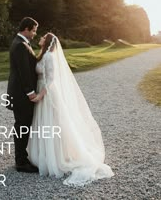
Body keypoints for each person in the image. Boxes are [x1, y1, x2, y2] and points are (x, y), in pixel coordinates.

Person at [27, 33, 114, 186]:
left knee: (52, 122)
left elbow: (51, 79)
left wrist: (40, 95)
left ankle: (56, 156)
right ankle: (45, 154)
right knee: (43, 122)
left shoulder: (49, 57)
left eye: (42, 37)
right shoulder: (42, 55)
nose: (39, 38)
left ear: (47, 41)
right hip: (41, 89)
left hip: (47, 93)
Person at [7, 17, 39, 173]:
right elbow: (23, 72)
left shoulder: (21, 43)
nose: (34, 34)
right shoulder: (20, 45)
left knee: (22, 125)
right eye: (33, 30)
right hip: (21, 95)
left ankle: (21, 158)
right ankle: (21, 162)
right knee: (22, 126)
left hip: (20, 93)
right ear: (26, 28)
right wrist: (31, 93)